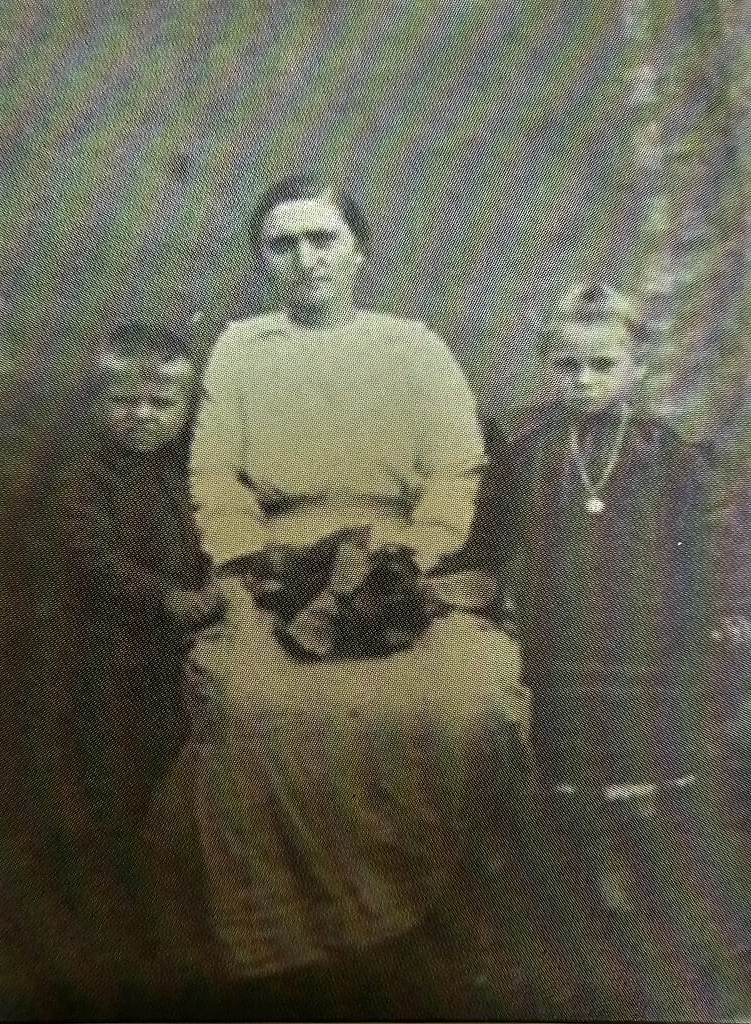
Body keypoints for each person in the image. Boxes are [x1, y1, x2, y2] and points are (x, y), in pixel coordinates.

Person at [186, 175, 528, 1019]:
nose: (306, 261)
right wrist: (250, 559)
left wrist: (410, 555)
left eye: (323, 240)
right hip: (276, 561)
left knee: (468, 703)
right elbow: (213, 474)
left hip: (398, 559)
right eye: (283, 244)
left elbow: (456, 470)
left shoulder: (413, 346)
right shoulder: (239, 348)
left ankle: (439, 912)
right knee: (255, 705)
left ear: (358, 250)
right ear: (263, 260)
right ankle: (292, 941)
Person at [462, 282, 751, 1019]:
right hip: (557, 632)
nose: (583, 381)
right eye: (567, 366)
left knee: (646, 765)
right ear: (546, 365)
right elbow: (487, 541)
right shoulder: (524, 446)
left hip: (649, 635)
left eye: (601, 365)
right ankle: (582, 882)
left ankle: (647, 887)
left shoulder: (670, 453)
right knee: (565, 763)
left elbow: (703, 552)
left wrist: (724, 613)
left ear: (638, 365)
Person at [57, 322, 226, 1013]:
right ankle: (110, 938)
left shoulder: (186, 473)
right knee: (113, 788)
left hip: (172, 659)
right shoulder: (84, 479)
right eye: (125, 402)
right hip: (106, 656)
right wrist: (171, 599)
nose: (142, 417)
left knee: (176, 780)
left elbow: (210, 536)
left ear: (185, 411)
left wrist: (215, 581)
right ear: (99, 405)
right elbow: (90, 558)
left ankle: (170, 926)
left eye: (161, 405)